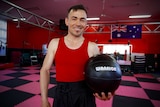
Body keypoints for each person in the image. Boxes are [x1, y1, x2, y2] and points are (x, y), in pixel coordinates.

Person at [40, 4, 113, 107]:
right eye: (74, 19)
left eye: (82, 19)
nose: (78, 23)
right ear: (67, 21)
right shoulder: (55, 43)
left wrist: (104, 91)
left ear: (86, 23)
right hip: (62, 95)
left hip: (85, 96)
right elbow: (45, 70)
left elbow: (100, 74)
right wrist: (44, 99)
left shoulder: (92, 47)